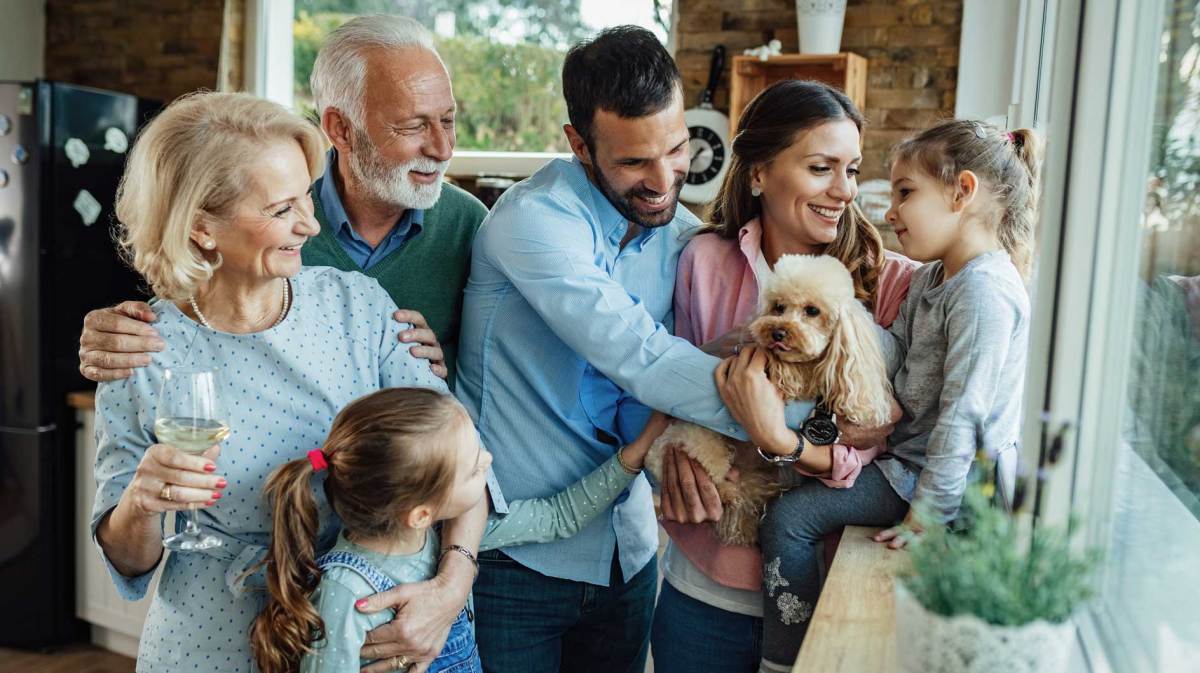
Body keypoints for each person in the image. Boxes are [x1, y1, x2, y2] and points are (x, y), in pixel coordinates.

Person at [79, 17, 489, 668]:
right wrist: (141, 500)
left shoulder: (357, 305)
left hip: (352, 632)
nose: (310, 221)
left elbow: (466, 455)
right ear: (203, 228)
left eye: (305, 197)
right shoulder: (139, 348)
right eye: (280, 209)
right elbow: (128, 557)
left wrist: (451, 585)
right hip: (208, 641)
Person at [456, 27, 828, 673]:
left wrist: (675, 450)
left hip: (626, 556)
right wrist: (807, 428)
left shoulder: (678, 233)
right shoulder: (533, 222)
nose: (664, 180)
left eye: (676, 148)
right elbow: (644, 359)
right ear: (578, 144)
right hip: (512, 558)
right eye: (633, 162)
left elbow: (674, 374)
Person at [650, 80, 915, 673]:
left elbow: (892, 444)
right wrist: (673, 461)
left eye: (851, 170)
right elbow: (668, 390)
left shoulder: (892, 283)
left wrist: (781, 441)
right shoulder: (702, 262)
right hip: (705, 585)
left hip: (829, 591)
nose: (843, 190)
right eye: (821, 168)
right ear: (759, 173)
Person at [756, 119, 1039, 671]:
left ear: (963, 192)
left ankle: (785, 660)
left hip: (945, 486)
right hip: (908, 463)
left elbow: (965, 416)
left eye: (906, 193)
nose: (889, 212)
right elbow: (892, 359)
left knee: (788, 519)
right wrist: (835, 319)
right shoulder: (935, 278)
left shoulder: (984, 292)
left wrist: (928, 514)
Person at [77, 14, 487, 384]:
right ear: (341, 130)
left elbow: (498, 366)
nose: (443, 147)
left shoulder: (469, 225)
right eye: (413, 126)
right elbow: (189, 310)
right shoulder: (260, 217)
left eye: (448, 120)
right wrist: (116, 333)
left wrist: (434, 370)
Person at [249, 388, 669, 673]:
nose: (488, 461)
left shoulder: (446, 538)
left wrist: (638, 450)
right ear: (420, 513)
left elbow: (559, 516)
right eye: (473, 467)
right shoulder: (346, 593)